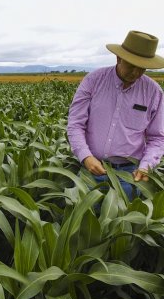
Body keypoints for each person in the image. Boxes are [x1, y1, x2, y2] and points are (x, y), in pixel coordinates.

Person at [67, 30, 164, 199]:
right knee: (84, 220)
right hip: (92, 167)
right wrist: (86, 156)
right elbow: (75, 124)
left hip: (131, 174)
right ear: (119, 58)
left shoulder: (153, 92)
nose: (135, 72)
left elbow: (158, 137)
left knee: (124, 222)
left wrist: (146, 165)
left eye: (141, 68)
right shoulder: (94, 80)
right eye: (131, 65)